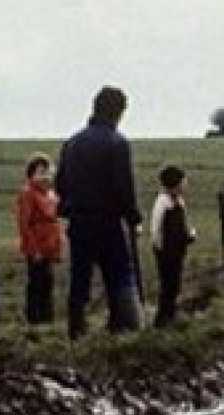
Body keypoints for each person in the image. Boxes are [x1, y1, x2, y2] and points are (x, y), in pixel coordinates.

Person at [56, 85, 143, 339]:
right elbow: (123, 187)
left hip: (79, 219)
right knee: (119, 273)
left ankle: (76, 329)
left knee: (80, 276)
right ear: (118, 112)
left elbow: (61, 182)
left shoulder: (72, 142)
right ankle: (123, 325)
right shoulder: (118, 143)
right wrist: (133, 217)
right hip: (107, 220)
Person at [16, 152, 61, 324]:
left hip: (49, 246)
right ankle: (35, 320)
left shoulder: (50, 194)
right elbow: (24, 224)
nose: (45, 176)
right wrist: (33, 249)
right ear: (32, 174)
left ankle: (47, 319)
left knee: (47, 283)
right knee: (36, 284)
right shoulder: (28, 193)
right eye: (41, 172)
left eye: (47, 172)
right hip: (37, 247)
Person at [150, 165, 195, 327]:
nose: (186, 184)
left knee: (174, 284)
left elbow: (182, 224)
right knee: (168, 285)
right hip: (166, 251)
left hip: (178, 249)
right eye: (183, 181)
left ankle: (170, 315)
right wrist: (160, 249)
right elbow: (156, 229)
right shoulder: (163, 202)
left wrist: (189, 234)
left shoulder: (179, 201)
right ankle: (162, 319)